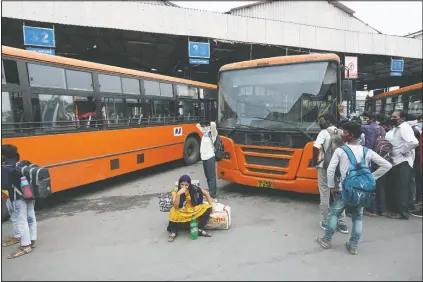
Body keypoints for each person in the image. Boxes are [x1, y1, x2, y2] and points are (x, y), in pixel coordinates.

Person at [316, 121, 392, 255]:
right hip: (361, 191)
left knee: (334, 214)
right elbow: (387, 165)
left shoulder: (341, 150)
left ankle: (326, 240)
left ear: (350, 135)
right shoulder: (367, 151)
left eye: (344, 133)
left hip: (343, 189)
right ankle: (353, 245)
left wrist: (331, 186)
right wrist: (370, 178)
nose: (342, 135)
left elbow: (330, 170)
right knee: (357, 217)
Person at [312, 114, 348, 234]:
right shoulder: (343, 132)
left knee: (325, 194)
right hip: (338, 168)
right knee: (338, 194)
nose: (320, 123)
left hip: (324, 167)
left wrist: (314, 161)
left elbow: (316, 147)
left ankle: (325, 221)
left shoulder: (323, 132)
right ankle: (342, 223)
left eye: (322, 121)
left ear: (329, 121)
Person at [1, 144, 37, 259]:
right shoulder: (20, 164)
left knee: (22, 221)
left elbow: (5, 186)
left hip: (18, 198)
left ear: (4, 156)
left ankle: (25, 245)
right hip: (29, 195)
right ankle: (32, 240)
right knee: (31, 218)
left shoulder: (6, 169)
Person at [388, 110, 419, 220]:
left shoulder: (404, 128)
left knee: (402, 188)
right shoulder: (399, 127)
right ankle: (400, 210)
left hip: (403, 161)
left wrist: (403, 151)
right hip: (397, 160)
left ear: (402, 118)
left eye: (395, 117)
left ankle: (403, 213)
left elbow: (414, 142)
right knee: (399, 187)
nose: (392, 118)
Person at [167, 175, 214, 242]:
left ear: (189, 184)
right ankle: (174, 232)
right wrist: (178, 194)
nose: (184, 187)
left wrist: (212, 206)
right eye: (182, 184)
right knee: (173, 211)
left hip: (192, 210)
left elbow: (206, 193)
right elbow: (175, 206)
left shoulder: (193, 188)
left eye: (186, 185)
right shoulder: (175, 191)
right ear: (179, 184)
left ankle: (200, 229)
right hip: (181, 210)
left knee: (207, 207)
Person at [361, 112, 386, 216]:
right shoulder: (382, 128)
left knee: (368, 183)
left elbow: (351, 126)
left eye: (365, 118)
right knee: (378, 185)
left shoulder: (367, 128)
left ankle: (370, 208)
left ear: (370, 118)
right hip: (380, 155)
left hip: (370, 157)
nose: (364, 120)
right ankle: (380, 208)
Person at [196, 120, 218, 202]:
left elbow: (213, 124)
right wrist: (202, 125)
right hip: (204, 158)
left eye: (205, 126)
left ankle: (213, 196)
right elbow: (197, 125)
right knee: (208, 177)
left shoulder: (212, 134)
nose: (204, 128)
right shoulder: (204, 134)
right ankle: (210, 194)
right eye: (203, 126)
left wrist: (208, 124)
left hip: (210, 158)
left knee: (212, 178)